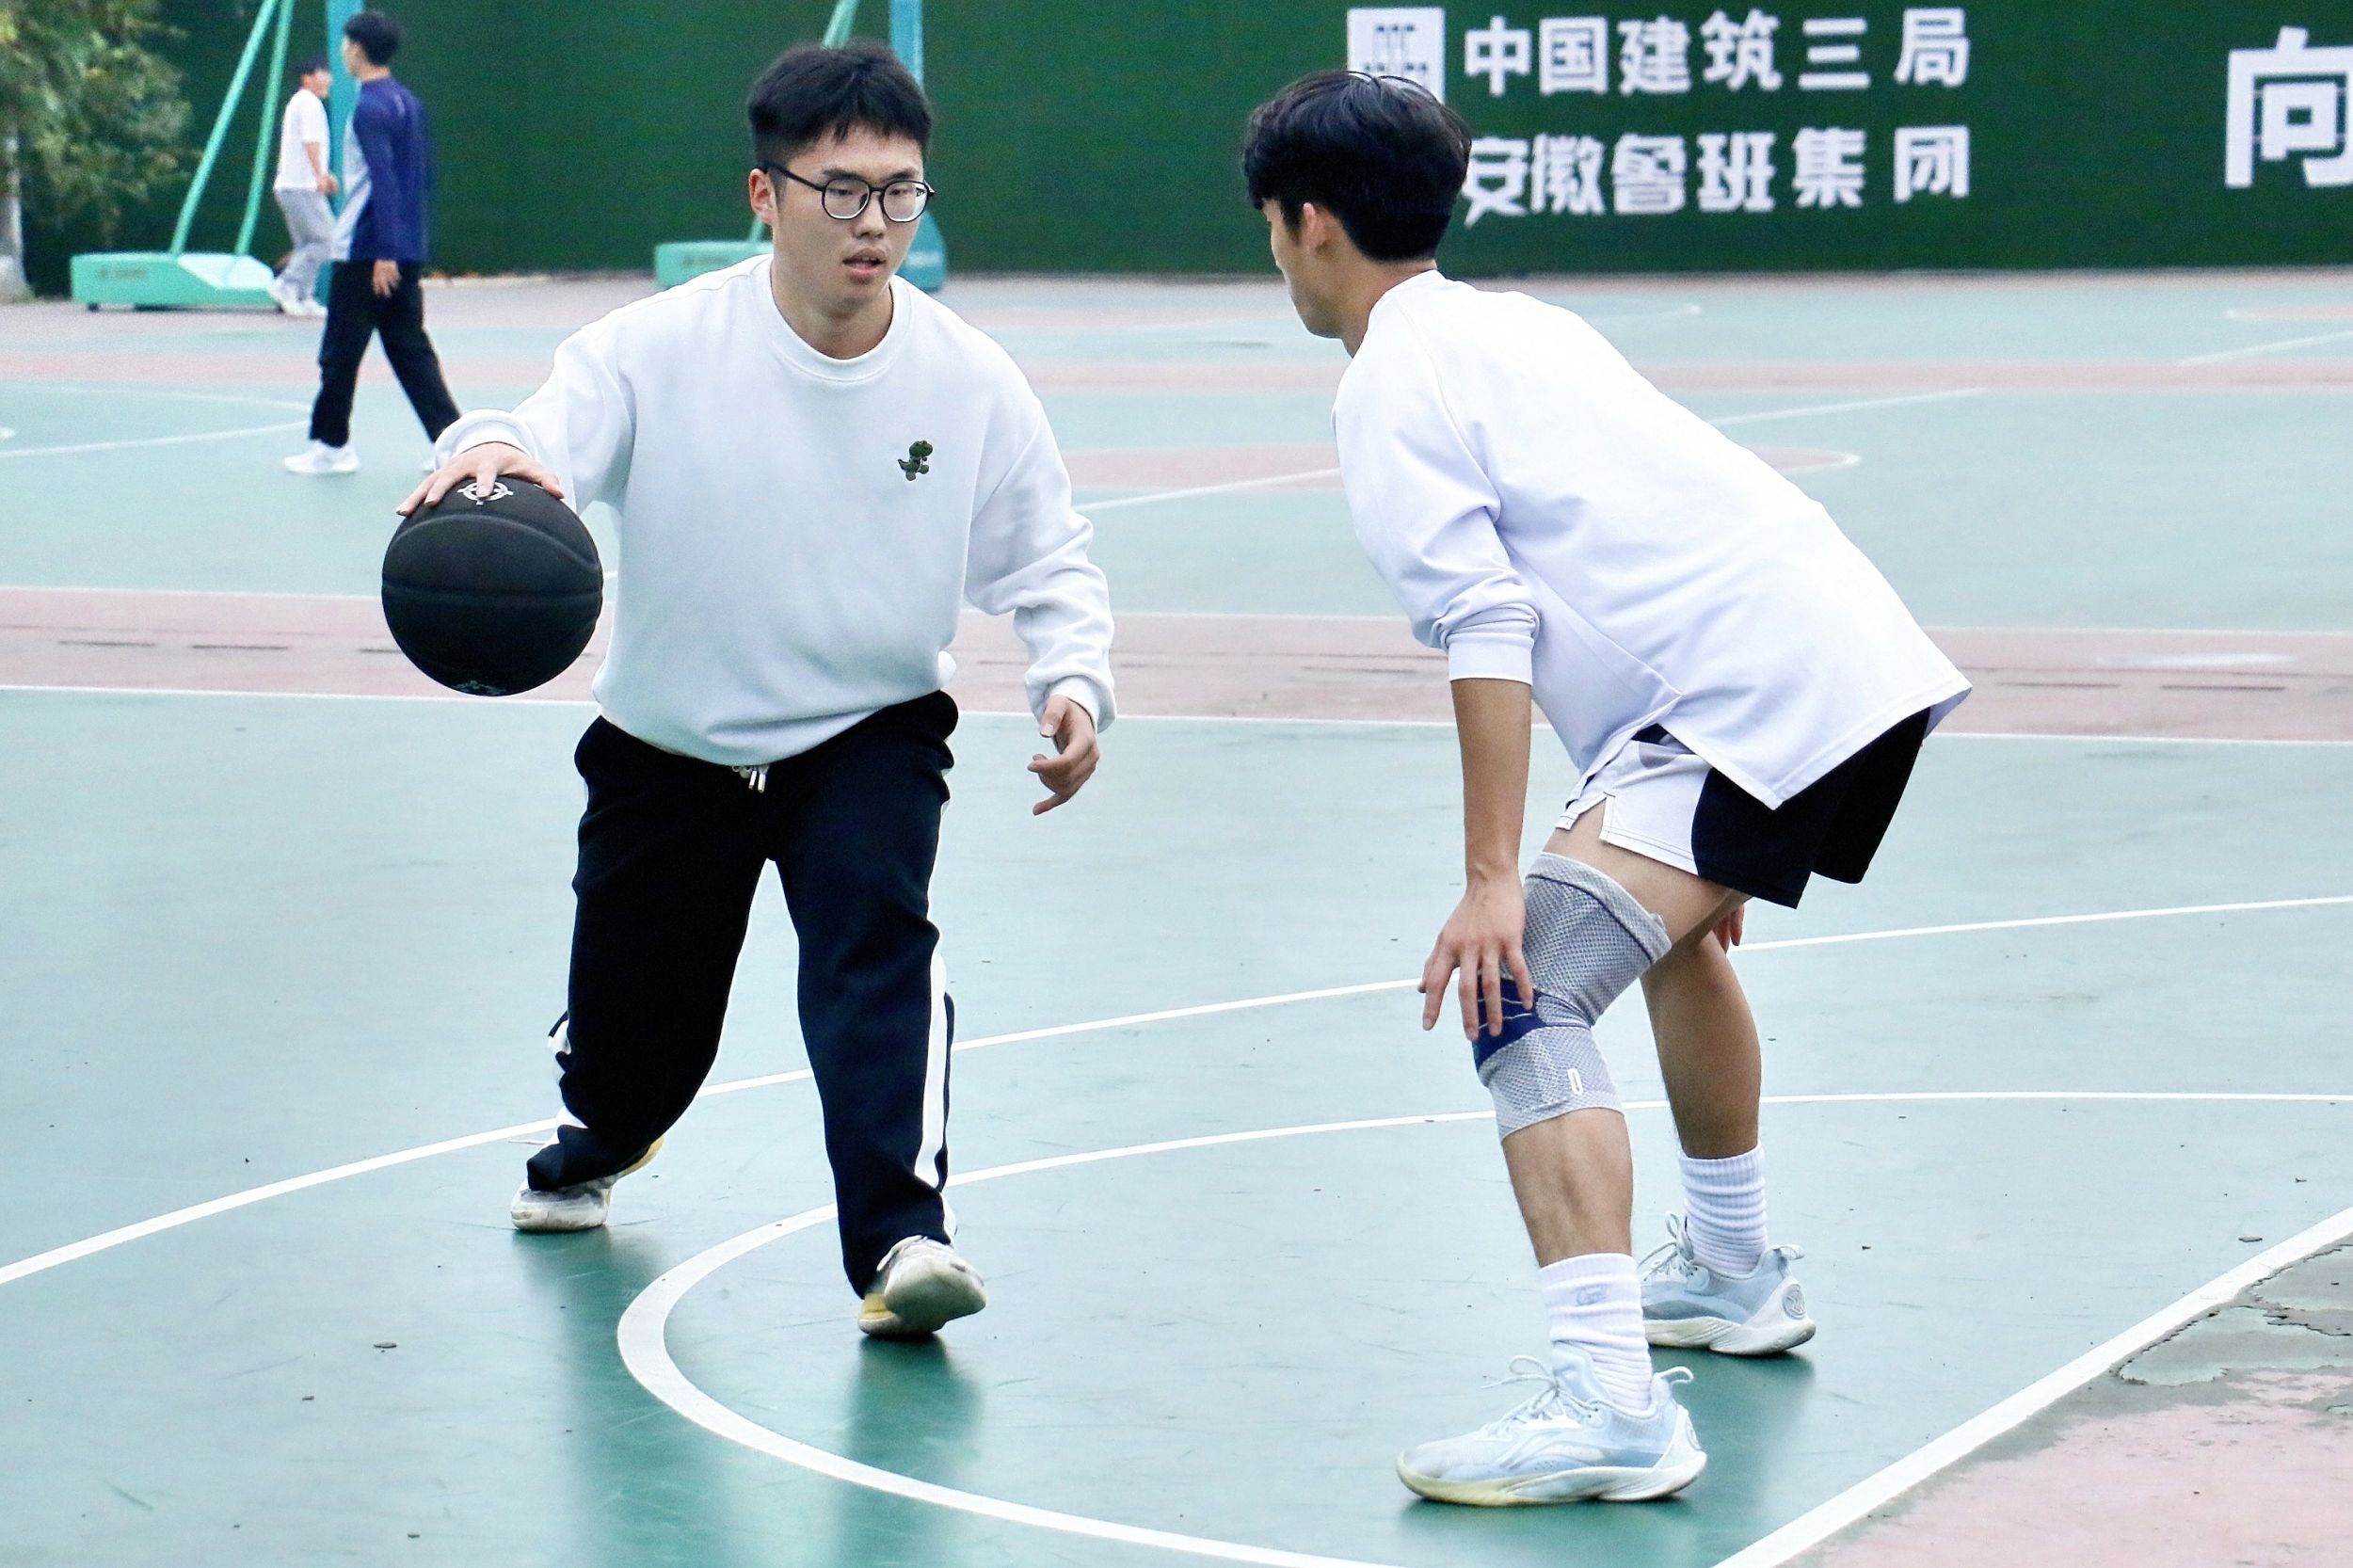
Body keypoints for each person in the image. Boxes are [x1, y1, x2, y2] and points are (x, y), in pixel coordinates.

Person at [1241, 72, 1969, 1504]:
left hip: (1743, 702)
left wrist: (1494, 877)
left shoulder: (1387, 377)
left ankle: (1609, 1403)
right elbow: (1635, 548)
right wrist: (1672, 835)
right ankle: (1732, 1265)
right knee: (1670, 941)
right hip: (1825, 661)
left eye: (1271, 225)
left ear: (1309, 222)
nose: (1277, 253)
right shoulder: (1518, 324)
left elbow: (1491, 621)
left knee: (1524, 989)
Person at [398, 41, 1114, 1341]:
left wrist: (1073, 677)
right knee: (638, 1051)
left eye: (900, 190)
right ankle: (599, 1127)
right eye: (841, 190)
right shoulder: (655, 347)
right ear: (763, 194)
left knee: (876, 953)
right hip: (670, 744)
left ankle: (902, 1237)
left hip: (869, 730)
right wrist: (490, 447)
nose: (874, 222)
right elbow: (536, 435)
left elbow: (1045, 554)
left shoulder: (968, 377)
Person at [283, 9, 459, 476]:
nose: (342, 52)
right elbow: (419, 178)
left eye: (346, 44)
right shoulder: (408, 102)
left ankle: (332, 446)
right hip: (403, 249)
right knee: (410, 349)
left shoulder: (369, 108)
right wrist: (406, 246)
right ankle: (453, 443)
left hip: (366, 253)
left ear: (358, 49)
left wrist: (385, 251)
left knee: (339, 352)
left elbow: (384, 181)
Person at [267, 58, 335, 318]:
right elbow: (310, 141)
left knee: (307, 243)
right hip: (301, 187)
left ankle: (303, 296)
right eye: (322, 73)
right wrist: (319, 175)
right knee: (326, 239)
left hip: (294, 185)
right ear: (307, 78)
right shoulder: (308, 103)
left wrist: (323, 174)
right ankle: (286, 285)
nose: (328, 78)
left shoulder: (302, 102)